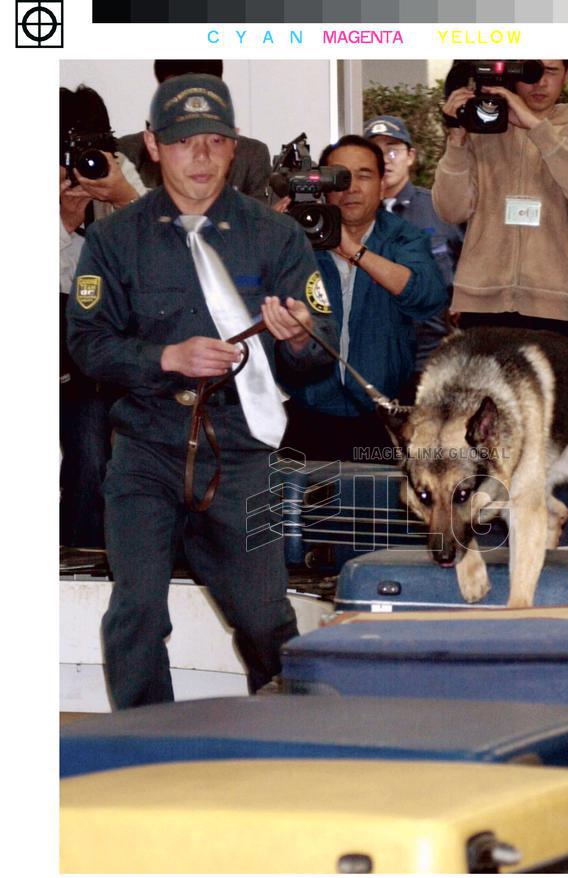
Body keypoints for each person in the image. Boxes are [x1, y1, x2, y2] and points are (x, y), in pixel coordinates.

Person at [67, 73, 337, 709]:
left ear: (236, 147)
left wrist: (297, 337)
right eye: (187, 142)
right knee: (134, 615)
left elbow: (319, 347)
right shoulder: (113, 239)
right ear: (154, 146)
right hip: (143, 453)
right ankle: (146, 754)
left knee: (266, 616)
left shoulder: (277, 237)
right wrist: (166, 356)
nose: (202, 157)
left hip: (243, 456)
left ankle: (293, 738)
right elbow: (87, 343)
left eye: (216, 141)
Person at [278, 135, 448, 461]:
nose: (351, 187)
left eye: (364, 175)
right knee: (297, 511)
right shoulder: (296, 237)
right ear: (322, 186)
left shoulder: (402, 236)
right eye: (340, 177)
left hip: (380, 419)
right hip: (307, 414)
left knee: (378, 510)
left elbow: (428, 297)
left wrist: (355, 251)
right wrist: (271, 225)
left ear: (383, 185)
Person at [432, 60, 568, 342]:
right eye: (531, 73)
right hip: (480, 303)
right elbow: (451, 210)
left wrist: (536, 127)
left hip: (553, 307)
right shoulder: (483, 126)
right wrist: (457, 140)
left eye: (551, 71)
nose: (540, 83)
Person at [60, 85, 148, 550]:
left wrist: (123, 197)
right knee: (88, 451)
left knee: (105, 451)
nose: (85, 157)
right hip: (65, 344)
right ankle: (79, 553)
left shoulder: (114, 168)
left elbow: (161, 245)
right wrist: (66, 224)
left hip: (118, 339)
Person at [363, 115, 463, 371]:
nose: (385, 159)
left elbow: (470, 266)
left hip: (433, 357)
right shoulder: (351, 214)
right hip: (371, 356)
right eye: (376, 151)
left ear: (411, 156)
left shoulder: (440, 209)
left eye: (393, 150)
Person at [118, 60, 272, 203]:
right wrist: (123, 199)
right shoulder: (129, 152)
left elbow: (257, 222)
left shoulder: (251, 154)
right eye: (183, 141)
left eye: (215, 140)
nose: (201, 155)